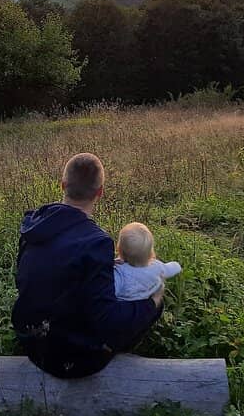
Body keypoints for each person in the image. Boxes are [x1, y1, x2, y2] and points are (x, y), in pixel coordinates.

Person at [12, 153, 163, 379]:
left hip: (31, 341)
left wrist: (105, 266)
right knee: (155, 294)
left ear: (63, 185)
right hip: (69, 360)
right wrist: (152, 303)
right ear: (100, 192)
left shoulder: (34, 225)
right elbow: (107, 321)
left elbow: (36, 276)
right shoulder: (96, 242)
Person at [113, 222, 182, 301]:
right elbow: (170, 269)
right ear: (150, 252)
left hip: (126, 310)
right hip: (149, 303)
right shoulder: (157, 266)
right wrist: (177, 265)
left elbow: (107, 291)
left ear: (119, 250)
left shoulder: (119, 274)